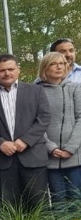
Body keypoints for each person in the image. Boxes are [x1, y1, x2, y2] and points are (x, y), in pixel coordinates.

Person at [0, 54, 51, 206]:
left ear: (18, 70)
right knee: (8, 208)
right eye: (2, 70)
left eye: (11, 69)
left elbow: (44, 118)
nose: (7, 73)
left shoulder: (36, 91)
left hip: (32, 157)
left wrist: (26, 140)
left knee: (38, 207)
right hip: (1, 160)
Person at [36, 51, 81, 201]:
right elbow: (36, 122)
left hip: (74, 156)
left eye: (61, 63)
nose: (59, 67)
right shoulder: (37, 91)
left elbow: (80, 118)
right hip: (50, 158)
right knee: (58, 200)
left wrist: (70, 148)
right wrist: (51, 147)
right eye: (53, 64)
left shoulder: (75, 88)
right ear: (45, 68)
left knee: (76, 200)